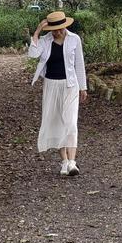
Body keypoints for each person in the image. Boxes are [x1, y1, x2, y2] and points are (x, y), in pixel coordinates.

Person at [28, 10, 88, 176]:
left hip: (70, 85)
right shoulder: (45, 41)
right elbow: (33, 54)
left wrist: (83, 87)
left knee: (70, 122)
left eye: (60, 29)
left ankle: (73, 162)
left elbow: (79, 64)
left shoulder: (74, 39)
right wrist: (38, 31)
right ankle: (64, 161)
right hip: (51, 85)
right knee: (56, 123)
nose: (58, 32)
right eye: (54, 29)